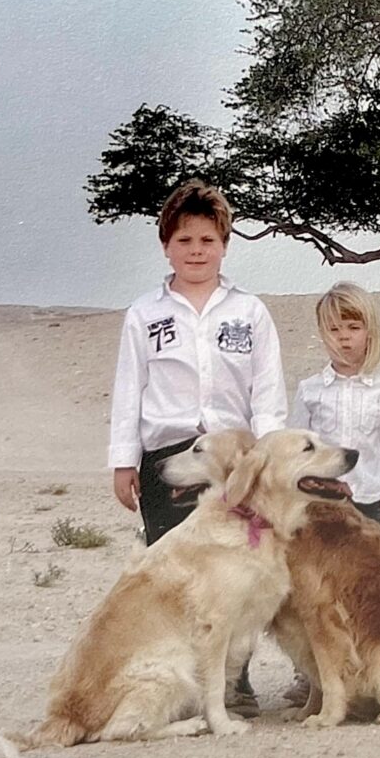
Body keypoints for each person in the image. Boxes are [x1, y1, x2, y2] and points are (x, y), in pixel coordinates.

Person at [107, 178, 287, 716]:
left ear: (225, 245)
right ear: (166, 245)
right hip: (170, 457)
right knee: (179, 570)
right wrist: (123, 460)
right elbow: (127, 388)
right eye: (184, 241)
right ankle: (180, 683)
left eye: (207, 241)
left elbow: (268, 387)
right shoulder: (146, 314)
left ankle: (237, 682)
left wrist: (267, 455)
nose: (196, 252)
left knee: (233, 572)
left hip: (233, 459)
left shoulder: (249, 312)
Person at [290, 282, 380, 534]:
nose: (343, 336)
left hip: (367, 500)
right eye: (334, 329)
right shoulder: (310, 390)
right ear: (322, 333)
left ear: (369, 332)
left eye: (353, 328)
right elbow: (293, 450)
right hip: (319, 501)